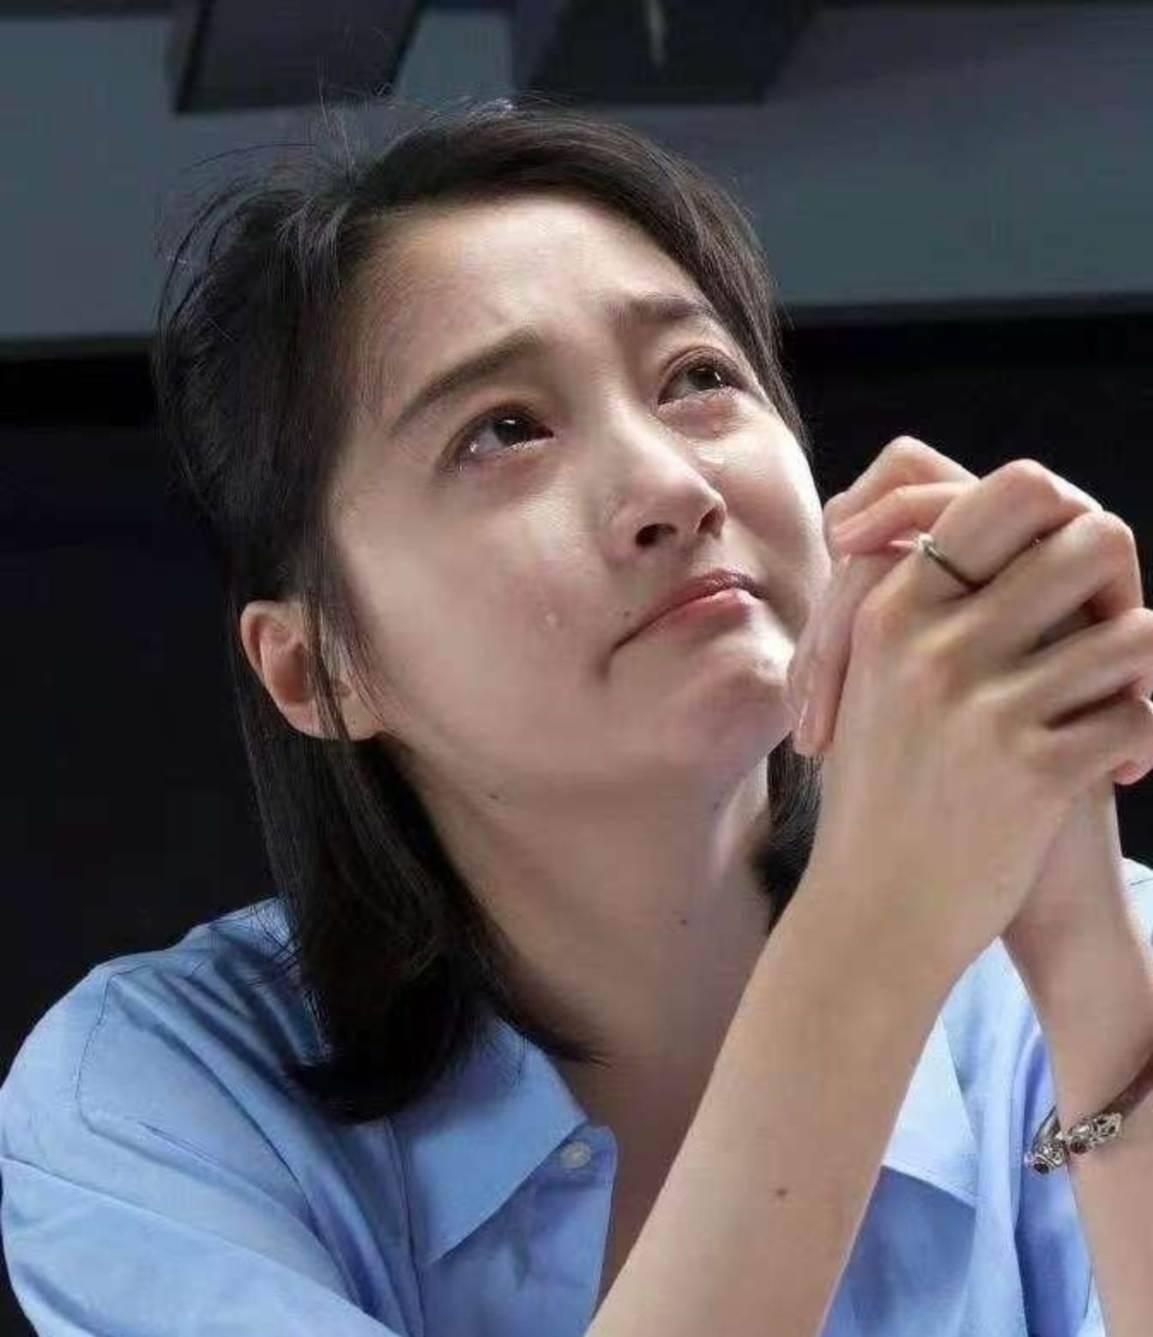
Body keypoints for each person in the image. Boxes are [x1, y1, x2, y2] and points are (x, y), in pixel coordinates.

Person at [1, 94, 1150, 1336]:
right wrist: (874, 927)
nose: (673, 485)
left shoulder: (1095, 956)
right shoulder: (148, 1096)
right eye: (503, 431)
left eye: (697, 378)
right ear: (319, 669)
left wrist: (1082, 938)